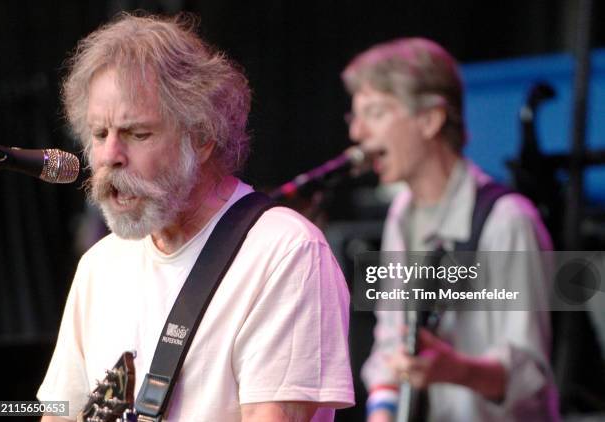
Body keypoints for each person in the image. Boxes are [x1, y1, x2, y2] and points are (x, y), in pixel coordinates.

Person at [38, 13, 354, 422]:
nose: (109, 156)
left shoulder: (286, 252)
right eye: (99, 135)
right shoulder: (99, 265)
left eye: (137, 133)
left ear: (201, 136)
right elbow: (60, 411)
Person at [342, 38, 559, 421]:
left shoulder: (507, 220)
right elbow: (389, 346)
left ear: (430, 119)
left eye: (375, 113)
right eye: (355, 118)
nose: (358, 134)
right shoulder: (401, 215)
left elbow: (531, 384)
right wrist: (382, 410)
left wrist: (456, 370)